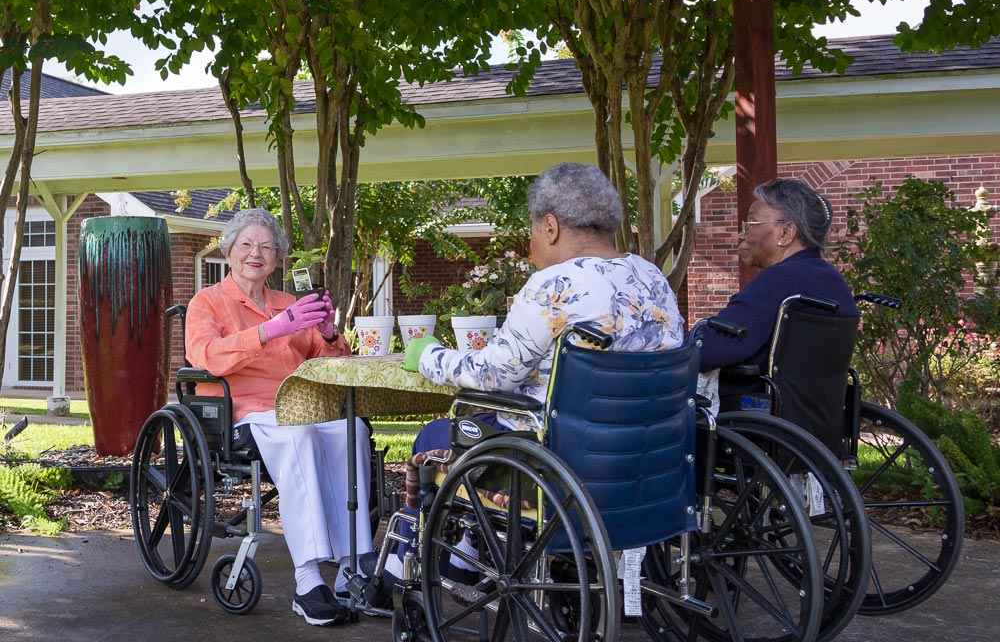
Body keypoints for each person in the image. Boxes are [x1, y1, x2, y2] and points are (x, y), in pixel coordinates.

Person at [387, 162, 685, 582]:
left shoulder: (554, 285)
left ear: (550, 226)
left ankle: (406, 565)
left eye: (531, 230)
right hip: (649, 458)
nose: (530, 242)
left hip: (562, 466)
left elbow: (493, 375)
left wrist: (428, 355)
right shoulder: (651, 277)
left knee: (437, 434)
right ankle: (466, 552)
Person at [185, 208, 372, 627]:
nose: (257, 253)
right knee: (300, 436)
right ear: (229, 250)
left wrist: (325, 331)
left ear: (277, 259)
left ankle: (351, 567)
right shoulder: (208, 302)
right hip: (246, 414)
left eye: (267, 247)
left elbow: (333, 362)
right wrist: (269, 331)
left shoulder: (290, 304)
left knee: (353, 430)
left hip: (299, 406)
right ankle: (307, 582)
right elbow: (205, 357)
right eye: (248, 244)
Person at [697, 178, 858, 407]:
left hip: (752, 416)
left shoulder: (779, 280)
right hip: (814, 420)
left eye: (751, 223)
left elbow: (712, 351)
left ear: (785, 232)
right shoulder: (833, 282)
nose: (743, 234)